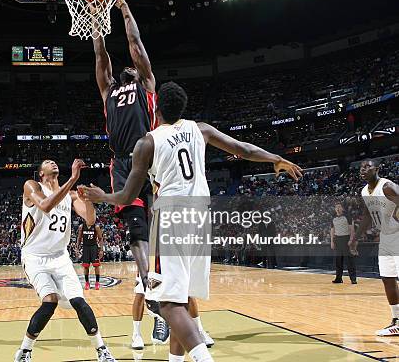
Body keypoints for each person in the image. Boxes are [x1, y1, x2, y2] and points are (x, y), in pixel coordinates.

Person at [81, 82, 302, 362]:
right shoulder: (201, 129)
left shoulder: (147, 142)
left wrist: (102, 196)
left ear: (155, 109)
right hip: (201, 215)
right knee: (182, 297)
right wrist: (277, 158)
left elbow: (128, 195)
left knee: (168, 303)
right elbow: (241, 148)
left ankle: (202, 359)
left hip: (172, 216)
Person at [92, 0, 171, 345]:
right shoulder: (109, 91)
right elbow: (101, 56)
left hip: (150, 156)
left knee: (158, 232)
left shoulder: (146, 83)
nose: (127, 68)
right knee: (137, 233)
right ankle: (151, 289)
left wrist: (123, 9)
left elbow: (136, 44)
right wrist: (95, 23)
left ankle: (165, 292)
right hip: (122, 163)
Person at [13, 159, 115, 362]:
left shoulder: (70, 195)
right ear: (41, 173)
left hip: (60, 257)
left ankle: (102, 350)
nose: (53, 163)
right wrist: (73, 179)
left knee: (79, 301)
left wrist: (87, 198)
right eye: (48, 162)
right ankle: (24, 351)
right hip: (35, 257)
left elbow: (90, 220)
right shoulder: (32, 186)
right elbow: (46, 205)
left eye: (54, 162)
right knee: (49, 302)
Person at [352, 159, 399, 336]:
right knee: (387, 278)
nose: (362, 169)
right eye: (361, 167)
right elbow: (367, 217)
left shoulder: (387, 186)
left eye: (367, 167)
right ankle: (397, 321)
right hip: (386, 238)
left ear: (377, 169)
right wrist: (355, 238)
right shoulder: (364, 191)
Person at [330, 202, 357, 284]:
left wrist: (351, 239)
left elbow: (351, 229)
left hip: (346, 239)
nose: (337, 208)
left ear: (342, 208)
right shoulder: (333, 218)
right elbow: (332, 230)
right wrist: (332, 241)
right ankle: (338, 278)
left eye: (339, 207)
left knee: (349, 260)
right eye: (336, 207)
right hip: (337, 239)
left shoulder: (347, 217)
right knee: (338, 260)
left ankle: (353, 279)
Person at [77, 222, 104, 290]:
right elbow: (79, 238)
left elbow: (100, 238)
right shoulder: (81, 226)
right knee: (86, 266)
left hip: (94, 247)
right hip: (85, 247)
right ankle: (87, 283)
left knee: (96, 265)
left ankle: (97, 282)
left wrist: (101, 250)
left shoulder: (96, 227)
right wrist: (77, 249)